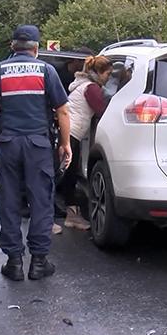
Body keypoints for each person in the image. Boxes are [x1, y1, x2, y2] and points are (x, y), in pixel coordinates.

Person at [0, 25, 71, 281]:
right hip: (38, 145)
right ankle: (39, 262)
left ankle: (14, 263)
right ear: (36, 48)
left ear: (12, 46)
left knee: (9, 201)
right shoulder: (46, 70)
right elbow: (62, 111)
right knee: (41, 201)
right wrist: (65, 143)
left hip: (9, 144)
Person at [58, 56, 114, 231]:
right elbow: (102, 111)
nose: (108, 78)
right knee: (63, 175)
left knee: (68, 174)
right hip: (71, 134)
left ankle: (69, 214)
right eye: (108, 74)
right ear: (98, 72)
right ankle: (55, 219)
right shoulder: (91, 88)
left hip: (69, 133)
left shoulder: (82, 84)